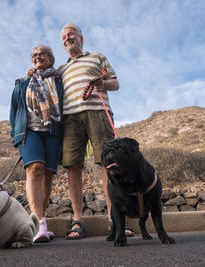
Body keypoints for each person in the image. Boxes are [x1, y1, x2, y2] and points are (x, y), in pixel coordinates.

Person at [58, 23, 133, 239]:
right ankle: (78, 220)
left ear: (81, 37)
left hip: (98, 111)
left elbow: (115, 83)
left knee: (106, 163)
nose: (67, 38)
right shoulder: (61, 69)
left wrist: (103, 84)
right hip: (70, 117)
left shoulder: (97, 57)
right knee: (72, 165)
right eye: (63, 36)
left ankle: (115, 218)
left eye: (70, 34)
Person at [9, 45, 63, 243]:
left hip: (53, 132)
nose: (38, 57)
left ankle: (42, 220)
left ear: (51, 58)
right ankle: (38, 223)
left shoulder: (58, 81)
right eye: (34, 55)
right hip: (28, 132)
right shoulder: (22, 83)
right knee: (35, 168)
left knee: (48, 175)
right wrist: (15, 135)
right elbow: (14, 112)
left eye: (42, 54)